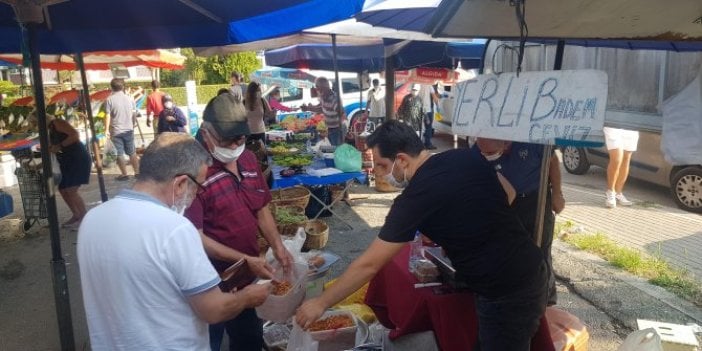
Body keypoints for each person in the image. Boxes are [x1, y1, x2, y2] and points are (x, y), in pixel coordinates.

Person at [296, 120, 548, 351]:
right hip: (530, 269)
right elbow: (509, 192)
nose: (381, 174)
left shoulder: (414, 198)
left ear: (402, 160)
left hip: (506, 292)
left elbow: (370, 264)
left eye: (383, 166)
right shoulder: (463, 157)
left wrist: (321, 303)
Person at [77, 133, 271, 350]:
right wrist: (247, 297)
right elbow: (213, 310)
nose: (196, 195)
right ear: (180, 184)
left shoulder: (92, 220)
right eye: (198, 187)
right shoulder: (174, 229)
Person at [185, 93, 293, 351]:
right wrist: (245, 260)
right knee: (208, 339)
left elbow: (262, 208)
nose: (234, 146)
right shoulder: (194, 171)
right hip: (209, 278)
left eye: (240, 138)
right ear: (206, 133)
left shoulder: (248, 159)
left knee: (248, 340)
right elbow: (195, 236)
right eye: (227, 140)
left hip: (247, 275)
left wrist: (278, 246)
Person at [476, 138, 565, 306]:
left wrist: (557, 193)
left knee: (541, 250)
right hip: (505, 203)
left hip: (536, 199)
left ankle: (546, 301)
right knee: (510, 251)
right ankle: (516, 298)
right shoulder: (482, 144)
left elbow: (552, 161)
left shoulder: (533, 139)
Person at [40, 116, 91, 228]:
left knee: (71, 190)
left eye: (35, 123)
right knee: (63, 189)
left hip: (77, 157)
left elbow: (75, 135)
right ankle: (76, 215)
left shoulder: (57, 123)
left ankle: (84, 217)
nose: (35, 126)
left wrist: (60, 146)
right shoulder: (49, 129)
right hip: (66, 159)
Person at [104, 78, 139, 181]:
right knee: (132, 152)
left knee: (119, 153)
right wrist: (132, 125)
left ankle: (124, 174)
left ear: (112, 87)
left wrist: (106, 130)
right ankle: (137, 172)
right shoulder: (130, 99)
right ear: (122, 87)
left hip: (116, 130)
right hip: (129, 130)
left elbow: (108, 116)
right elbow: (134, 114)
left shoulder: (109, 100)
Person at [603, 127, 639, 208]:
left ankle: (618, 193)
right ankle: (610, 192)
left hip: (631, 124)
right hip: (614, 123)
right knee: (617, 158)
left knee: (626, 158)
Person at [302, 77, 343, 146]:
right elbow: (321, 109)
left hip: (336, 129)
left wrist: (343, 129)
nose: (317, 90)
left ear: (325, 87)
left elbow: (341, 113)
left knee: (336, 149)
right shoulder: (323, 97)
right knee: (331, 148)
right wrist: (308, 108)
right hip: (328, 128)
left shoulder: (334, 98)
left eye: (318, 88)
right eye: (317, 88)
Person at [421, 85, 439, 150]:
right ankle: (427, 144)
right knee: (428, 127)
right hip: (427, 110)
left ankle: (419, 143)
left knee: (419, 127)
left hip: (418, 108)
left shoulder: (415, 83)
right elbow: (434, 97)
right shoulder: (429, 85)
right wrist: (438, 105)